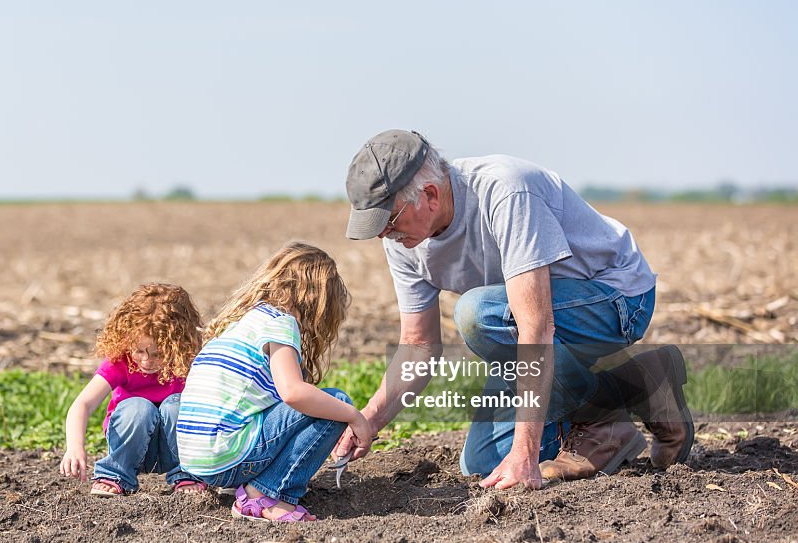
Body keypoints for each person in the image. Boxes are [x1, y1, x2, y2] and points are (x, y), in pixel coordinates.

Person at [336, 129, 693, 490]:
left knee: (477, 315)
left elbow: (535, 326)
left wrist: (526, 454)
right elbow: (418, 346)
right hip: (522, 323)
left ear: (428, 195)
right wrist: (368, 419)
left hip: (616, 299)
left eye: (389, 221)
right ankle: (639, 384)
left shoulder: (505, 191)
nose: (383, 234)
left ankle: (601, 422)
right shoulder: (403, 239)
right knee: (483, 463)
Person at [176, 242, 373, 522]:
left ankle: (245, 485)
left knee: (319, 404)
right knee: (336, 403)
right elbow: (293, 393)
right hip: (224, 455)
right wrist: (355, 416)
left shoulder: (243, 323)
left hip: (196, 460)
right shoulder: (280, 323)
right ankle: (266, 494)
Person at [60, 283, 207, 496]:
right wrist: (74, 447)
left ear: (179, 344)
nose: (147, 361)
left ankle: (189, 474)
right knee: (138, 407)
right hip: (131, 446)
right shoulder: (121, 361)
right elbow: (83, 404)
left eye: (158, 354)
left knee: (177, 405)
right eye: (139, 351)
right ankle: (115, 473)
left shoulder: (187, 362)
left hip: (175, 449)